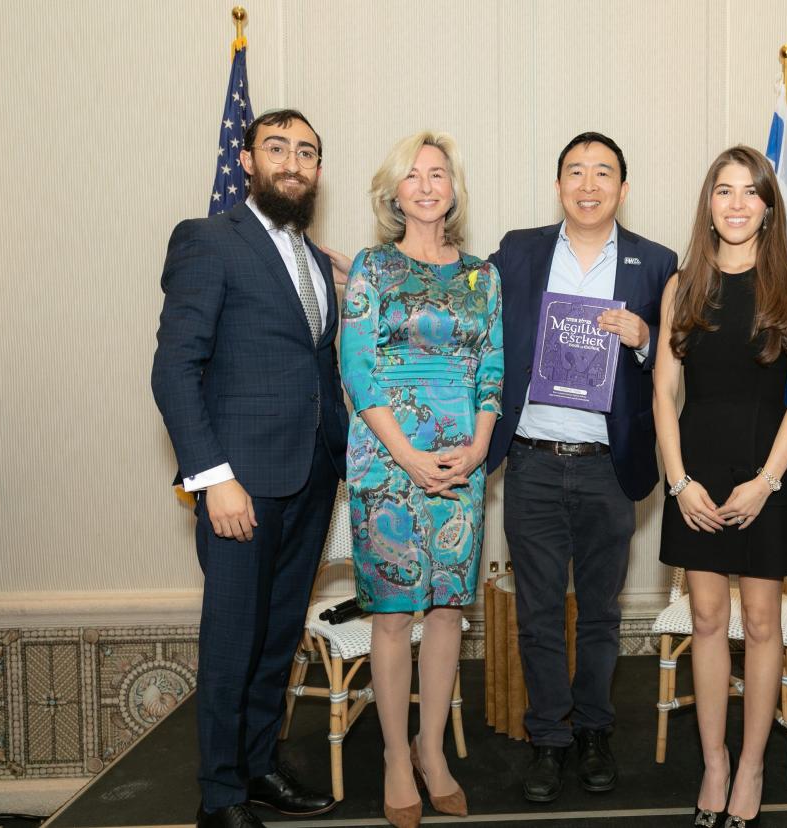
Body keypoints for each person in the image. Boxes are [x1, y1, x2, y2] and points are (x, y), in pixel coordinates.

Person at [151, 108, 346, 828]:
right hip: (240, 485)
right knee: (233, 641)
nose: (293, 163)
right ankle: (221, 798)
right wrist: (212, 478)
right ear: (246, 161)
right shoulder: (208, 241)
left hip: (313, 476)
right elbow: (175, 369)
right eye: (277, 149)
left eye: (307, 152)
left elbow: (312, 361)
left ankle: (259, 766)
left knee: (276, 638)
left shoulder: (317, 261)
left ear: (318, 171)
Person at [486, 132, 676, 803]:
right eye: (575, 171)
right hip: (534, 463)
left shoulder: (656, 264)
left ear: (623, 188)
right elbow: (462, 307)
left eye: (603, 173)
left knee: (599, 613)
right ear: (559, 183)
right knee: (538, 614)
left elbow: (681, 366)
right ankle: (548, 738)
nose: (588, 184)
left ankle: (594, 728)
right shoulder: (518, 251)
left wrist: (647, 340)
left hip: (606, 468)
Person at [654, 146, 787, 828]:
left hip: (765, 474)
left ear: (768, 205)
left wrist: (768, 482)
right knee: (705, 622)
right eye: (723, 191)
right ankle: (715, 762)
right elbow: (664, 391)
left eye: (750, 192)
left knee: (759, 625)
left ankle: (752, 764)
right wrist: (678, 482)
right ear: (709, 203)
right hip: (695, 474)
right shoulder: (682, 284)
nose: (736, 204)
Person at [340, 131, 502, 828]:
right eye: (414, 175)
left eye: (439, 173)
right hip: (387, 463)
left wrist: (478, 452)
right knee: (393, 613)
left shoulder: (482, 276)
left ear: (454, 188)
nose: (427, 184)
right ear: (394, 192)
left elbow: (493, 371)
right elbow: (357, 369)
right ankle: (395, 759)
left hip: (460, 466)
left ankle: (433, 752)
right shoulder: (372, 269)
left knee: (446, 614)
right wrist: (407, 455)